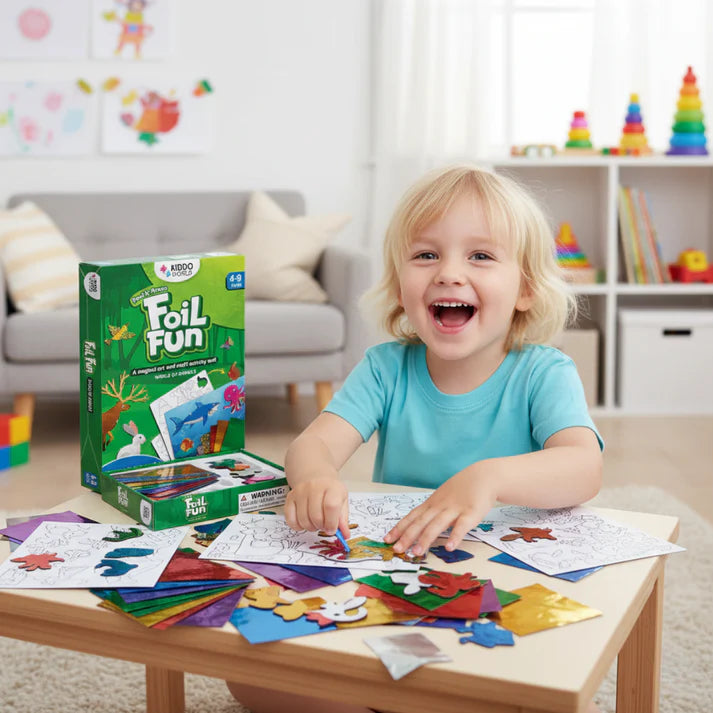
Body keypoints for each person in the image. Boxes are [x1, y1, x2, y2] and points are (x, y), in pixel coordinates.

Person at [227, 164, 603, 713]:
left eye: (480, 255)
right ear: (400, 287)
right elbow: (312, 445)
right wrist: (314, 477)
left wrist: (488, 478)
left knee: (530, 685)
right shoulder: (386, 367)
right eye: (426, 255)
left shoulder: (544, 372)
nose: (449, 273)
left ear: (525, 288)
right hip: (399, 578)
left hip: (503, 589)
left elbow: (584, 468)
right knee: (249, 676)